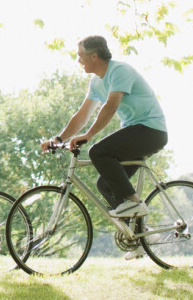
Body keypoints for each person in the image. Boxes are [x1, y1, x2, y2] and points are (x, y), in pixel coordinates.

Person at [42, 35, 168, 223]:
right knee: (106, 185)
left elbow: (111, 105)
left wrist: (89, 135)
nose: (78, 60)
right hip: (135, 132)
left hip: (150, 131)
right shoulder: (96, 82)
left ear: (94, 56)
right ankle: (140, 235)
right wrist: (59, 139)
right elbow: (82, 116)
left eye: (80, 55)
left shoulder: (119, 71)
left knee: (98, 152)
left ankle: (134, 202)